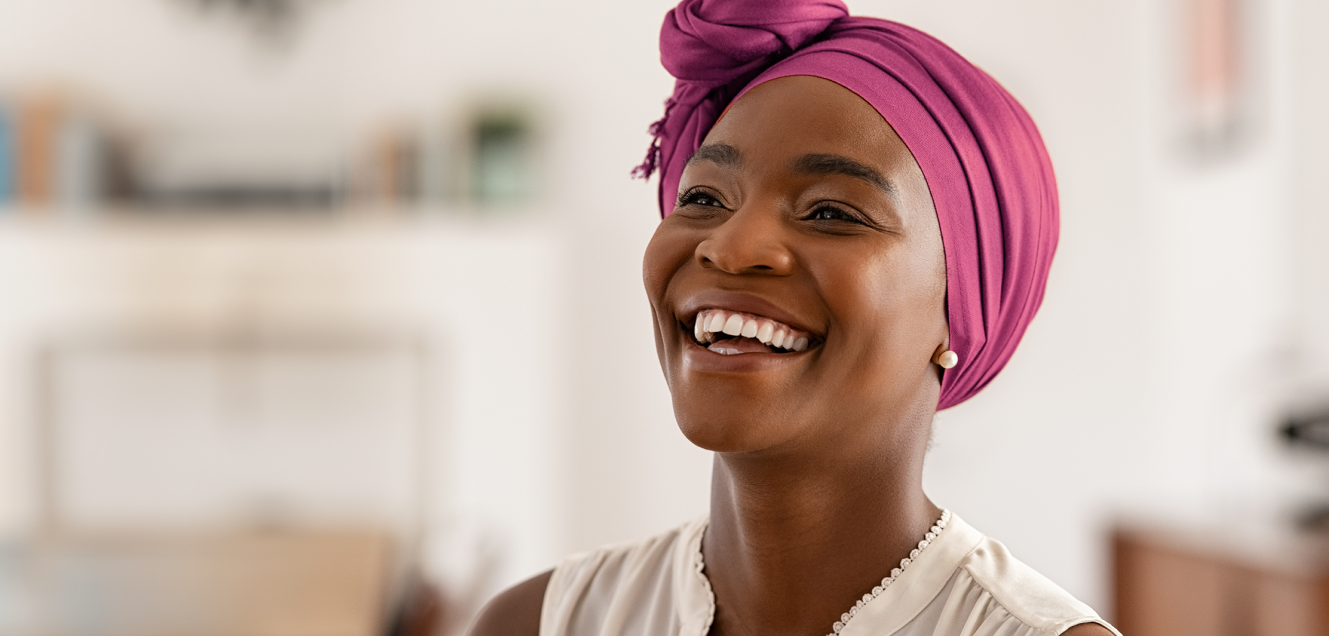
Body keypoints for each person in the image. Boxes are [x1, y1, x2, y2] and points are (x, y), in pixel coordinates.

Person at [469, 1, 1120, 634]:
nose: (728, 247)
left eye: (831, 212)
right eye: (703, 197)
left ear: (963, 311)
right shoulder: (539, 624)